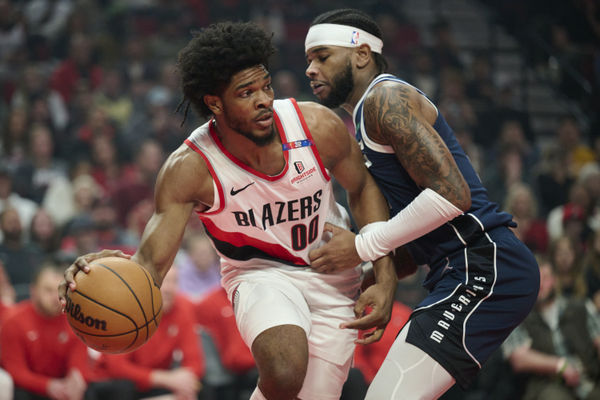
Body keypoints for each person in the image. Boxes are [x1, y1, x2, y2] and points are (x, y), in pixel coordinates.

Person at [59, 21, 397, 400]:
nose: (264, 100)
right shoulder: (190, 167)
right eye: (246, 93)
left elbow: (363, 187)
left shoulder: (316, 126)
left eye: (266, 86)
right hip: (259, 273)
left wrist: (383, 275)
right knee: (284, 371)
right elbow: (150, 266)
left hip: (333, 271)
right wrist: (99, 274)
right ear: (215, 102)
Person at [304, 9, 540, 399]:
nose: (311, 69)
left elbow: (452, 196)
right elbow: (416, 243)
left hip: (484, 266)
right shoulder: (365, 118)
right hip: (460, 268)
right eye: (309, 60)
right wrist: (373, 278)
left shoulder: (385, 98)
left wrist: (362, 245)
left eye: (323, 56)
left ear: (361, 54)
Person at [501, 259, 600, 400]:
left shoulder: (580, 307)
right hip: (549, 385)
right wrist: (559, 365)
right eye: (534, 280)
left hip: (590, 379)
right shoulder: (519, 317)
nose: (540, 285)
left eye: (545, 278)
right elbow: (518, 358)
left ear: (554, 280)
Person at [103, 267, 205, 400]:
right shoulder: (126, 311)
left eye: (174, 282)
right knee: (123, 387)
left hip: (158, 380)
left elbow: (195, 362)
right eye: (163, 282)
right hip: (126, 381)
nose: (169, 289)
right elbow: (116, 367)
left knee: (200, 386)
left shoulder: (183, 308)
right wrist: (165, 379)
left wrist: (183, 380)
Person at [1, 262, 87, 400]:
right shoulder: (13, 321)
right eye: (48, 290)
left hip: (61, 386)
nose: (55, 297)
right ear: (33, 290)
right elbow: (15, 371)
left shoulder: (76, 321)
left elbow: (77, 365)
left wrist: (76, 379)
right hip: (28, 389)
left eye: (59, 290)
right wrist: (47, 385)